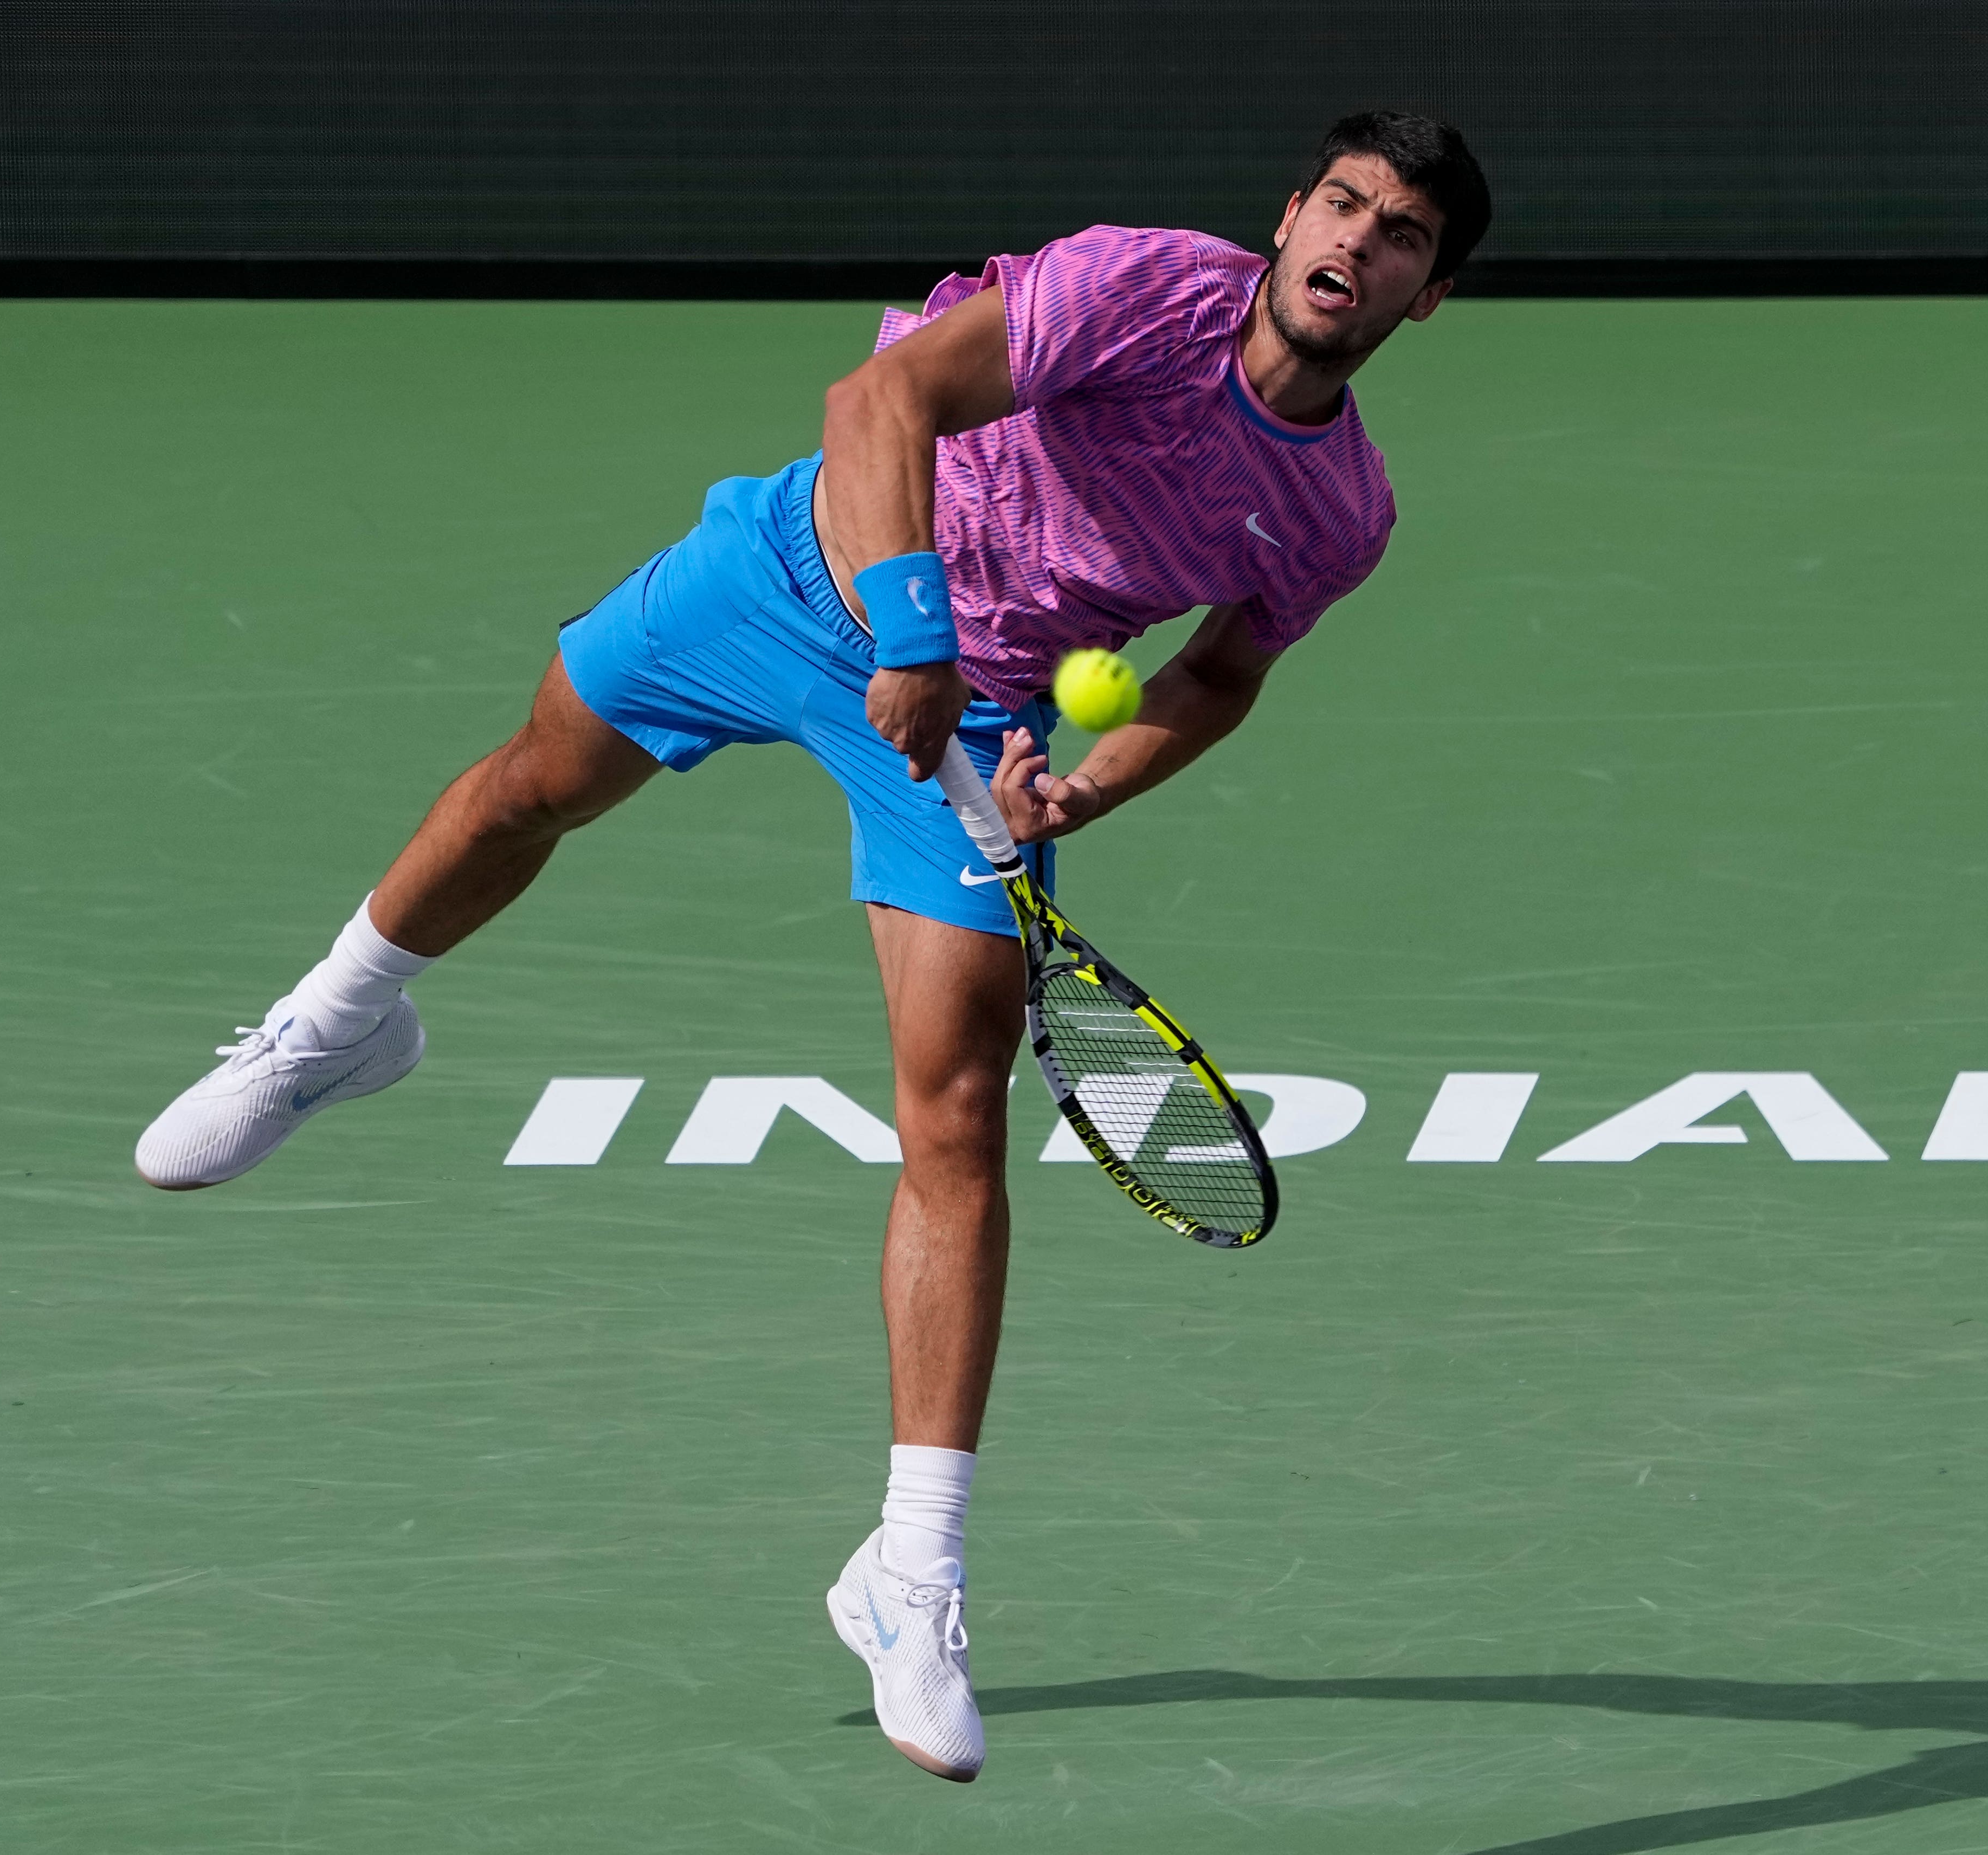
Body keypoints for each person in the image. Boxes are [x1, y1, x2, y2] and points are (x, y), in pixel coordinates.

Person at [134, 109, 1490, 1781]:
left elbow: (1218, 674)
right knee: (528, 793)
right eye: (1342, 204)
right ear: (1289, 217)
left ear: (1428, 298)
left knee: (959, 1114)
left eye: (1406, 234)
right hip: (801, 568)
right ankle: (336, 1026)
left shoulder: (1338, 512)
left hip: (975, 710)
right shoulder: (1147, 291)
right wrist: (910, 621)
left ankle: (910, 1570)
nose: (1358, 243)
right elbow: (883, 401)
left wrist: (1085, 788)